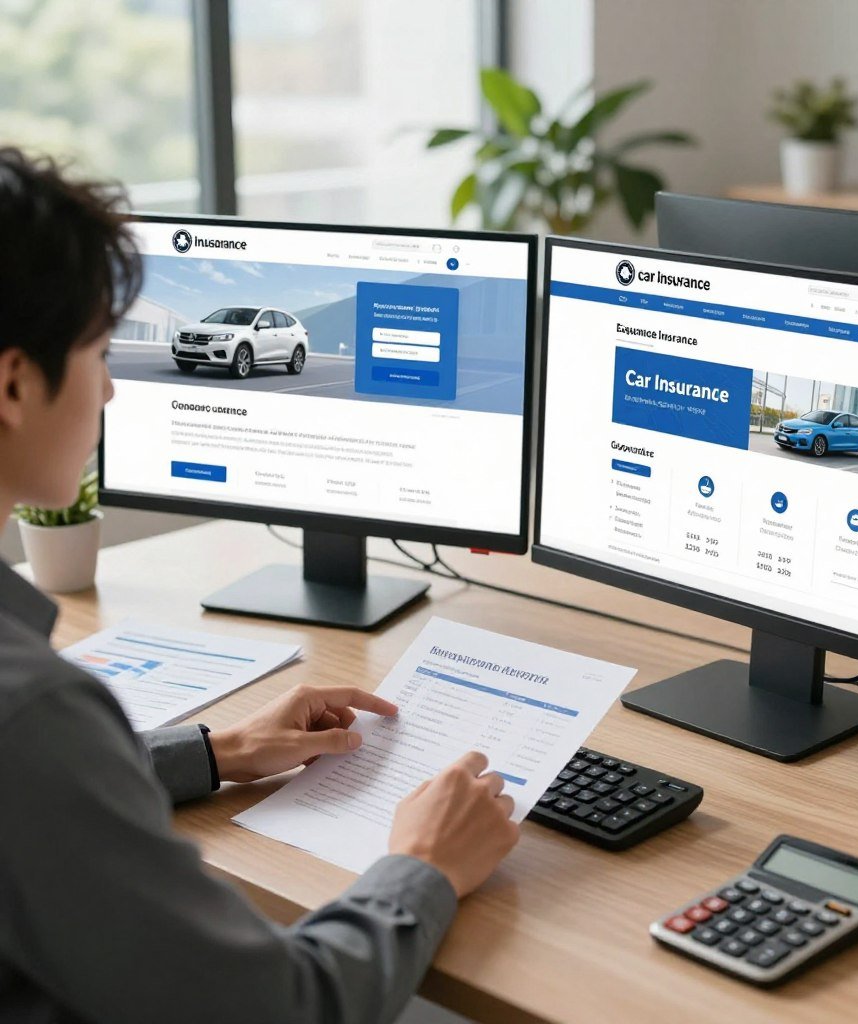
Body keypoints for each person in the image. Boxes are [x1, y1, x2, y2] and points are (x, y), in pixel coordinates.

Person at [0, 147, 519, 1024]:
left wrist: (214, 752)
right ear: (14, 383)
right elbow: (283, 1007)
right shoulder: (33, 714)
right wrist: (423, 866)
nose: (114, 392)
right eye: (97, 352)